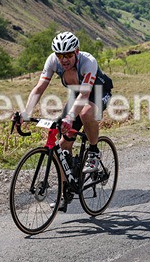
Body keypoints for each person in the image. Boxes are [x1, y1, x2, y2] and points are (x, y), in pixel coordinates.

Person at [15, 31, 113, 177]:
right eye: (60, 55)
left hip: (99, 91)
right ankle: (65, 191)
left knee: (85, 113)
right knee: (62, 147)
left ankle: (93, 151)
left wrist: (70, 117)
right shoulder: (52, 61)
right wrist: (26, 112)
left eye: (68, 55)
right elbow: (39, 88)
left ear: (76, 52)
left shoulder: (88, 62)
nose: (64, 59)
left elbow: (85, 94)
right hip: (77, 94)